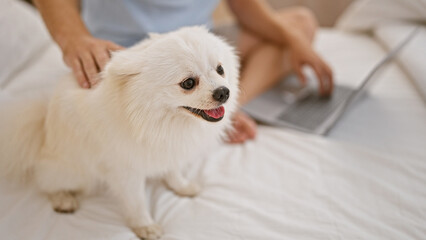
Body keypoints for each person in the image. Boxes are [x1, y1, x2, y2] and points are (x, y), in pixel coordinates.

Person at [34, 0, 333, 143]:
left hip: (199, 48)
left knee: (300, 22)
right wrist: (73, 38)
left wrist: (294, 40)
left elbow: (245, 6)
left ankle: (225, 112)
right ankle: (213, 111)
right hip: (128, 51)